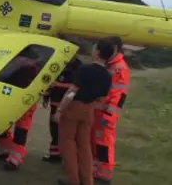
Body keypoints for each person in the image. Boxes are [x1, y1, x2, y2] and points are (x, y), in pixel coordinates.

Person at [53, 39, 113, 185]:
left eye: (94, 49)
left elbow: (72, 91)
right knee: (84, 145)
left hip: (74, 108)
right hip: (89, 110)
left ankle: (72, 179)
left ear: (98, 52)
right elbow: (102, 97)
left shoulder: (85, 69)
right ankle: (87, 180)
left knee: (68, 143)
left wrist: (59, 110)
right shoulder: (107, 75)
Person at [92, 36, 130, 184]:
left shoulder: (119, 67)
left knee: (104, 143)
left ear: (114, 48)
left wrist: (109, 115)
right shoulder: (109, 64)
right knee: (96, 142)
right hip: (98, 110)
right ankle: (96, 169)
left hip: (106, 113)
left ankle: (104, 175)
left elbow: (119, 95)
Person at [0, 49, 40, 171]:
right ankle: (7, 151)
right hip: (11, 99)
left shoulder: (31, 69)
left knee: (20, 130)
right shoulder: (16, 66)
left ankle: (15, 158)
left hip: (25, 102)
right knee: (2, 126)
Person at [42, 57, 83, 163]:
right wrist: (46, 96)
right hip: (55, 103)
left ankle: (68, 157)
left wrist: (58, 85)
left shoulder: (79, 68)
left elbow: (76, 87)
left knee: (66, 132)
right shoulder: (59, 63)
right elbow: (50, 81)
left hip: (68, 105)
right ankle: (55, 155)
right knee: (54, 130)